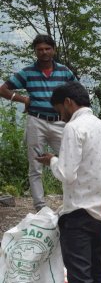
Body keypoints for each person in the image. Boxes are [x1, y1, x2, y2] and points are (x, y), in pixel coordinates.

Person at [36, 82, 101, 283]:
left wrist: (53, 162)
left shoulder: (74, 127)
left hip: (78, 210)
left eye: (59, 109)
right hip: (100, 209)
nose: (59, 116)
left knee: (80, 274)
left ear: (69, 102)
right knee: (96, 267)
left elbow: (67, 173)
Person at [0, 34, 77, 211]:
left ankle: (70, 203)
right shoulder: (28, 72)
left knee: (68, 162)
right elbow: (3, 89)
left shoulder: (64, 71)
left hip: (60, 122)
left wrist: (70, 111)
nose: (44, 52)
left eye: (47, 48)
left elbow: (77, 90)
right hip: (37, 121)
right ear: (35, 51)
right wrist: (23, 99)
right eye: (40, 49)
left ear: (53, 50)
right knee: (35, 165)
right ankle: (40, 206)